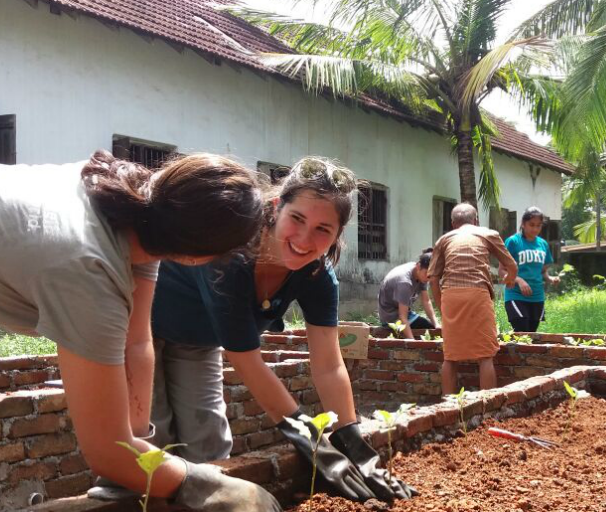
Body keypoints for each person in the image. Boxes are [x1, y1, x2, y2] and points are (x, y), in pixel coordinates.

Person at [0, 151, 282, 512]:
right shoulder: (87, 266)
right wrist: (207, 487)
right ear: (198, 257)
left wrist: (139, 448)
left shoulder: (140, 214)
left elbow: (137, 342)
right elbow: (106, 451)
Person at [137, 157, 415, 503]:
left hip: (198, 342)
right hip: (141, 330)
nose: (303, 238)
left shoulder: (317, 277)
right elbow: (248, 363)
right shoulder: (231, 259)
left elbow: (328, 365)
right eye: (296, 218)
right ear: (275, 208)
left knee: (207, 444)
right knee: (151, 440)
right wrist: (312, 442)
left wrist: (352, 440)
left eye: (322, 229)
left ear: (336, 236)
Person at [428, 203, 518, 395]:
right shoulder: (487, 234)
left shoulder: (444, 239)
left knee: (450, 357)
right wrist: (509, 280)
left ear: (453, 224)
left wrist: (442, 306)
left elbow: (433, 278)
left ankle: (448, 409)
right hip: (477, 293)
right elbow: (511, 265)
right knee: (485, 356)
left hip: (450, 295)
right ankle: (487, 406)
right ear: (476, 221)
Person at [502, 207, 559, 333]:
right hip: (515, 295)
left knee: (531, 336)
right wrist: (519, 280)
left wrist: (550, 279)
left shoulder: (543, 244)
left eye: (538, 226)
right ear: (523, 223)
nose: (535, 229)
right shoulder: (513, 242)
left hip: (537, 297)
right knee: (522, 332)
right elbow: (502, 270)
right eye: (531, 225)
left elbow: (543, 271)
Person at [377, 248, 439, 339]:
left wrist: (436, 324)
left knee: (432, 329)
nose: (428, 278)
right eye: (427, 274)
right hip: (390, 317)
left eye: (431, 275)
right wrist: (411, 342)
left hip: (404, 314)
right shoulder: (404, 282)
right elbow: (402, 317)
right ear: (418, 266)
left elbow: (426, 301)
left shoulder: (421, 274)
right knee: (424, 335)